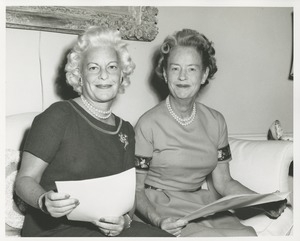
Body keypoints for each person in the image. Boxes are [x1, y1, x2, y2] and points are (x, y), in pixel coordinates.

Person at [15, 26, 173, 237]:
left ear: (122, 75)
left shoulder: (125, 129)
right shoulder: (59, 115)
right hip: (55, 230)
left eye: (112, 67)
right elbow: (24, 180)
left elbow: (128, 201)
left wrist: (124, 221)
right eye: (93, 68)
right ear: (79, 75)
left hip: (106, 232)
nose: (104, 75)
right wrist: (43, 201)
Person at [134, 28, 287, 237]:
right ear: (165, 73)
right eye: (175, 68)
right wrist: (157, 220)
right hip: (159, 207)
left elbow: (224, 182)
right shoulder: (147, 124)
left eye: (191, 69)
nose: (182, 77)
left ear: (204, 74)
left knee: (246, 236)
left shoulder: (216, 121)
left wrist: (264, 202)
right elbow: (135, 190)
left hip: (201, 205)